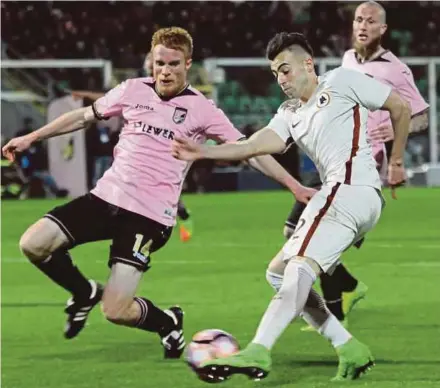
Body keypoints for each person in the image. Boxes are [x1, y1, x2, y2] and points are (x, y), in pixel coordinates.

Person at [2, 27, 310, 360]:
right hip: (105, 198)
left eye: (173, 64)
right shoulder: (132, 90)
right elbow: (82, 116)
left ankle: (168, 323)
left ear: (187, 64)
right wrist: (32, 137)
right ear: (151, 61)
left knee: (116, 311)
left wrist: (293, 185)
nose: (165, 71)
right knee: (32, 243)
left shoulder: (202, 109)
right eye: (159, 63)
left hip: (148, 217)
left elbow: (249, 150)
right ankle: (84, 291)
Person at [172, 32, 410, 381]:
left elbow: (400, 107)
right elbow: (256, 145)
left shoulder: (341, 81)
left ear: (308, 64)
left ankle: (259, 350)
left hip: (350, 190)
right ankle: (348, 347)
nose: (281, 79)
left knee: (297, 270)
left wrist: (397, 161)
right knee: (278, 273)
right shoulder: (289, 113)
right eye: (275, 74)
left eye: (285, 70)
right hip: (341, 195)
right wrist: (205, 151)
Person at [294, 1, 431, 332]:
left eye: (370, 21)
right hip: (334, 154)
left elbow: (422, 118)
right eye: (358, 19)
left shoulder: (395, 69)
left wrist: (398, 128)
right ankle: (338, 309)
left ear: (382, 29)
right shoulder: (347, 60)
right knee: (321, 236)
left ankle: (347, 290)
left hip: (364, 161)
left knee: (300, 231)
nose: (363, 25)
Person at [72, 51, 195, 243]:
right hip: (134, 150)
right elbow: (105, 98)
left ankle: (181, 214)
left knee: (162, 189)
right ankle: (123, 221)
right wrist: (85, 95)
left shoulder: (173, 92)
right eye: (150, 63)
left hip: (160, 150)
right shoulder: (136, 90)